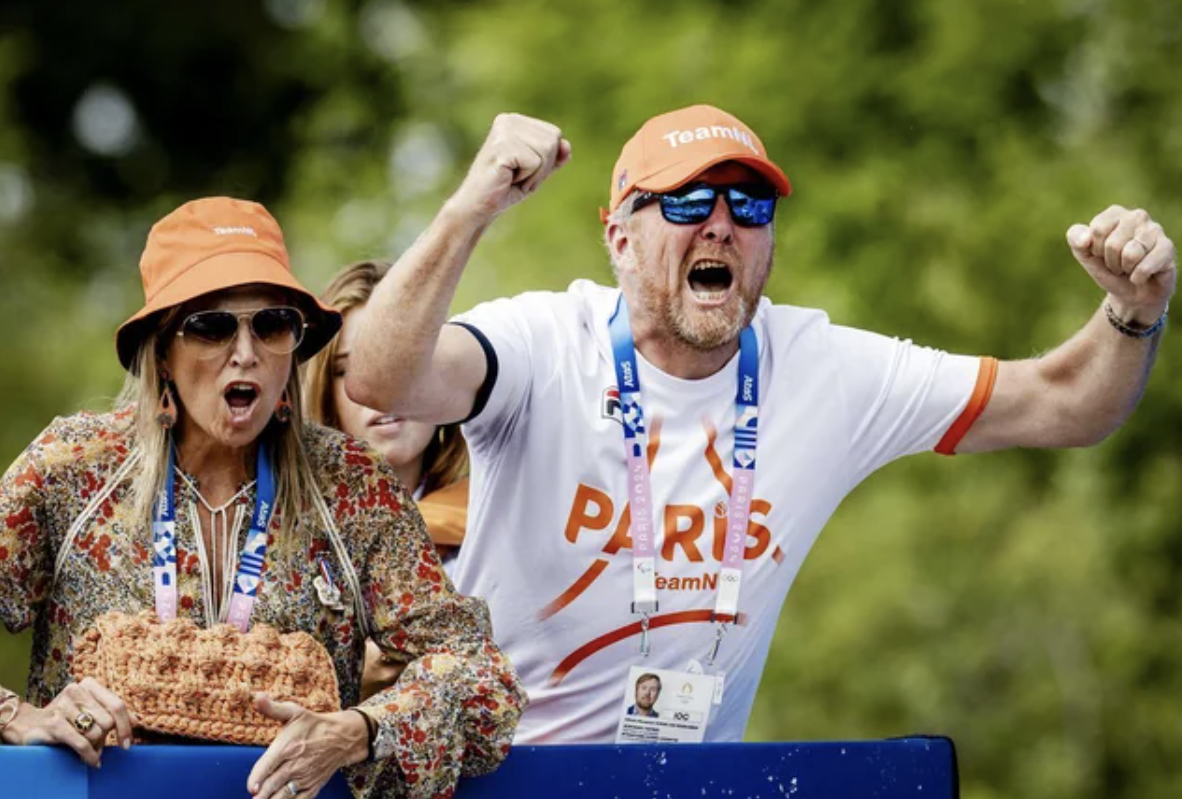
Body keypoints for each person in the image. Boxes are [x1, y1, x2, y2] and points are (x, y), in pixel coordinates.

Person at [345, 105, 1176, 745]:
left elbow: (1065, 403)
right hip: (496, 790)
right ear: (619, 238)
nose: (721, 223)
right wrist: (470, 206)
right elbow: (382, 375)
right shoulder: (545, 343)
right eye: (686, 201)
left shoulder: (823, 369)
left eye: (748, 204)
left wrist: (1134, 311)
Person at [0, 197, 525, 799]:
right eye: (212, 326)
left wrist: (358, 729)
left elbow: (482, 678)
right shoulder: (73, 467)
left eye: (272, 325)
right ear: (161, 349)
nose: (245, 352)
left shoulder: (352, 485)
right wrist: (18, 717)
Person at [304, 260, 470, 699]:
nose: (380, 387)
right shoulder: (284, 528)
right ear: (322, 389)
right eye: (347, 368)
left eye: (403, 361)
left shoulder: (498, 518)